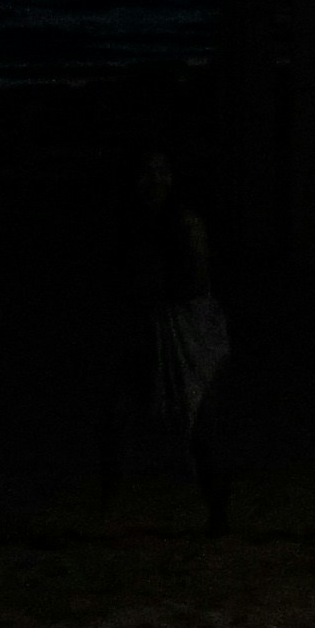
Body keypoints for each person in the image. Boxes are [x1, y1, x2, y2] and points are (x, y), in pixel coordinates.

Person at [131, 141, 231, 532]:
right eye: (147, 172)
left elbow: (196, 280)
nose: (155, 180)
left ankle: (218, 510)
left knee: (200, 414)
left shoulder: (183, 222)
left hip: (192, 326)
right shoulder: (144, 223)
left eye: (162, 171)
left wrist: (154, 287)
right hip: (169, 323)